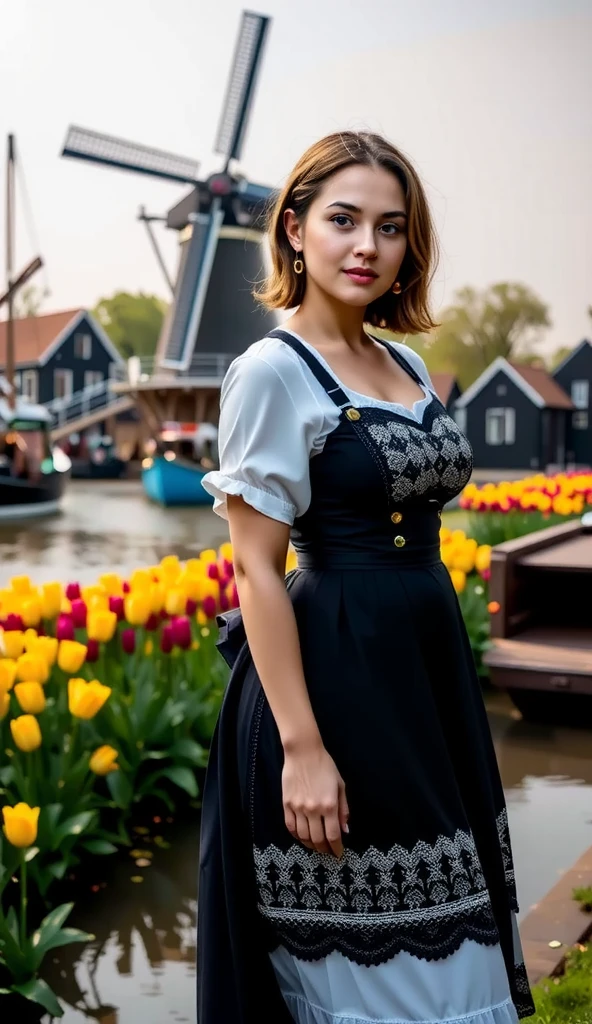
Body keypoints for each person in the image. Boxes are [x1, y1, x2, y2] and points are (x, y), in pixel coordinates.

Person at [197, 131, 535, 1024]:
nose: (366, 247)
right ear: (295, 228)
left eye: (390, 227)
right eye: (343, 220)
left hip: (422, 672)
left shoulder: (408, 365)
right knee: (388, 967)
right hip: (336, 678)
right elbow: (257, 572)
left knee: (459, 916)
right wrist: (304, 750)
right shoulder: (271, 372)